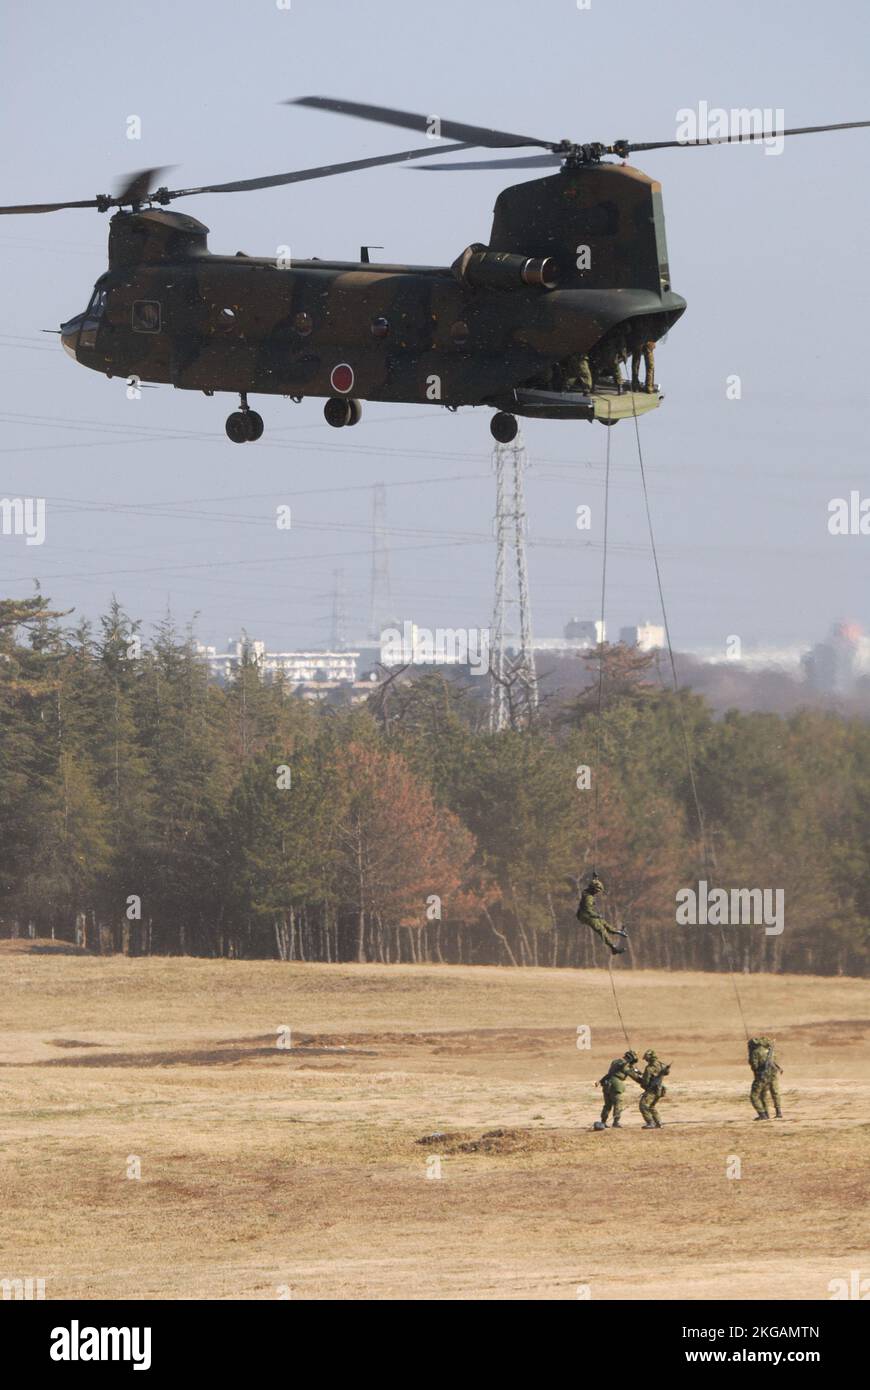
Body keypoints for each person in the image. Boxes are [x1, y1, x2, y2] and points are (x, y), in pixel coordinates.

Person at [576, 875, 628, 955]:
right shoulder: (588, 898)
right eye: (597, 891)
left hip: (587, 914)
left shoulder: (587, 891)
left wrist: (595, 878)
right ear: (593, 889)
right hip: (586, 915)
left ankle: (619, 932)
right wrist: (597, 915)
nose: (597, 893)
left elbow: (593, 884)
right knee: (601, 930)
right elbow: (588, 910)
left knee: (605, 924)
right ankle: (613, 948)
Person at [596, 1049, 643, 1128]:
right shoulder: (625, 1066)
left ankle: (603, 1122)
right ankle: (616, 1122)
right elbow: (634, 1076)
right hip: (616, 1085)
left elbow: (610, 1073)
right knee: (618, 1104)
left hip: (607, 1084)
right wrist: (643, 1082)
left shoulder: (615, 1061)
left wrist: (601, 1081)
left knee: (607, 1105)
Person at [748, 1036, 783, 1119]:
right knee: (766, 1095)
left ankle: (762, 1114)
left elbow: (754, 1066)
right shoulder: (770, 1051)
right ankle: (775, 1112)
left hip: (761, 1077)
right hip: (771, 1076)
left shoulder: (755, 1052)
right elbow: (775, 1063)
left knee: (754, 1096)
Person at [638, 1048, 670, 1128]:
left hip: (652, 1090)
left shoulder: (649, 1068)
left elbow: (645, 1082)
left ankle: (650, 1122)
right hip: (659, 1090)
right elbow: (666, 1072)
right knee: (651, 1106)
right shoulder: (661, 1064)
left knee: (643, 1106)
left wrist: (639, 1079)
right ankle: (658, 1122)